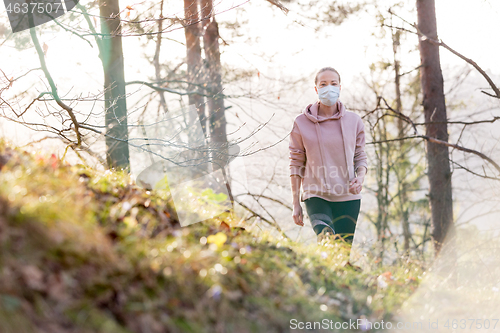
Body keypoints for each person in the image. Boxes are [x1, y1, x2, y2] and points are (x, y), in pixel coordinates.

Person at [289, 67, 368, 244]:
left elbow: (360, 156)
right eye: (323, 84)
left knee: (341, 252)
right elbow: (296, 164)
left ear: (340, 87)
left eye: (333, 83)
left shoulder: (354, 121)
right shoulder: (301, 123)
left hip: (348, 196)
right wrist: (296, 203)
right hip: (316, 195)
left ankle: (323, 273)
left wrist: (360, 177)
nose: (329, 88)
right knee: (327, 241)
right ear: (316, 89)